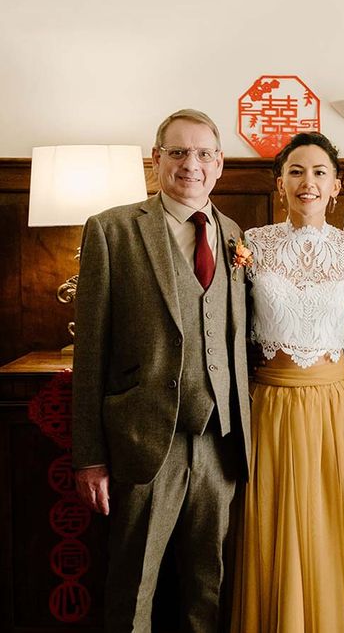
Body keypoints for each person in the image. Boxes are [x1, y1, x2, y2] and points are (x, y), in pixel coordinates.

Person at [72, 109, 251, 632]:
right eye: (177, 152)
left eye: (202, 154)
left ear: (218, 164)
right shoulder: (112, 230)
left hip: (219, 439)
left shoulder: (236, 233)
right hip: (145, 439)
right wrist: (89, 457)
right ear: (157, 160)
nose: (190, 164)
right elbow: (90, 357)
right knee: (134, 586)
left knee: (208, 585)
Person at [230, 132, 344, 633]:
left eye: (319, 172)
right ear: (280, 184)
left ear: (336, 186)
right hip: (271, 402)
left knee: (336, 524)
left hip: (335, 403)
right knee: (273, 526)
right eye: (296, 172)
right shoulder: (252, 244)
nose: (308, 182)